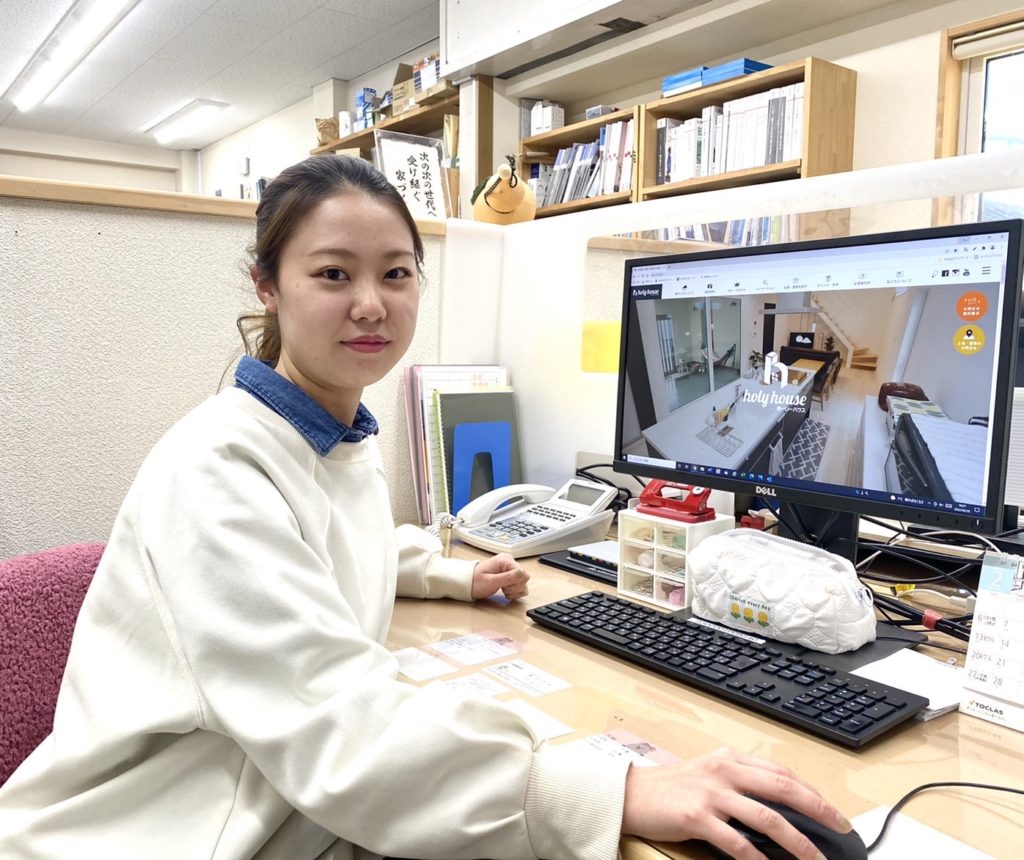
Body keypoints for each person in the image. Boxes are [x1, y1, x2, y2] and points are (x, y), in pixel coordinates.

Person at [0, 155, 851, 860]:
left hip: (277, 805)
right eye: (333, 274)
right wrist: (612, 789)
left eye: (396, 274)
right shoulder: (215, 466)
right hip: (166, 829)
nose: (372, 303)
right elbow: (338, 726)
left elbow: (332, 545)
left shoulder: (332, 437)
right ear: (268, 286)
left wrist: (447, 573)